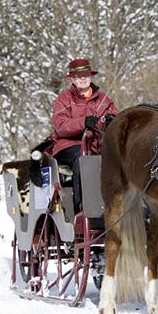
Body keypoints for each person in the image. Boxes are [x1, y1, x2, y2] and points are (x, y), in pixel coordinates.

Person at [48, 58, 119, 212]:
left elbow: (116, 118)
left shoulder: (104, 100)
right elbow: (61, 126)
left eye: (86, 76)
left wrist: (110, 120)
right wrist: (83, 122)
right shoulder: (64, 99)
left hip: (98, 146)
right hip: (69, 146)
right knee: (83, 159)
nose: (83, 79)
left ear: (91, 77)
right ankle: (82, 207)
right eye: (79, 77)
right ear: (72, 79)